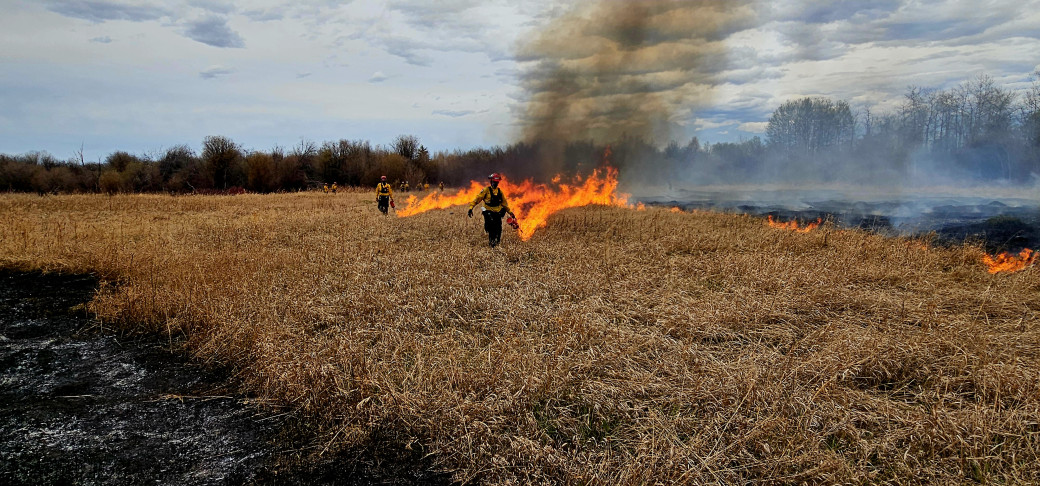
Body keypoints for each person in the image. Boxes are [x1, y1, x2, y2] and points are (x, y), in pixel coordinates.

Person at [467, 173, 515, 248]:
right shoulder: (486, 190)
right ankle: (492, 244)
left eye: (496, 182)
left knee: (498, 228)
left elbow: (504, 204)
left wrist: (510, 212)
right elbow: (477, 199)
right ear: (490, 182)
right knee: (491, 228)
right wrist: (471, 208)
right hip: (488, 212)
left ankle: (497, 243)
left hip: (497, 213)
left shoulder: (500, 192)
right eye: (493, 182)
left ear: (498, 182)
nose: (494, 184)